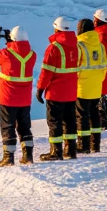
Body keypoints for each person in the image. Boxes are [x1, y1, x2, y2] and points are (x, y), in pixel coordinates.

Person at [0, 25, 35, 166]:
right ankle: (28, 156)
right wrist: (10, 42)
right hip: (24, 99)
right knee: (25, 127)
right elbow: (19, 52)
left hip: (8, 98)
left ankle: (8, 157)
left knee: (7, 127)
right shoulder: (32, 55)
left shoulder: (6, 54)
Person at [36, 17, 80, 161]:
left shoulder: (54, 47)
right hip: (71, 92)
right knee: (70, 121)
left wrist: (40, 89)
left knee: (54, 122)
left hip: (55, 93)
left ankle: (56, 152)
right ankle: (71, 150)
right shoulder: (76, 46)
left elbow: (46, 72)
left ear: (56, 28)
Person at [75, 18, 107, 153]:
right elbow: (104, 66)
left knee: (82, 116)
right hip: (96, 86)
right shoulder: (100, 46)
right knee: (94, 114)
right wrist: (99, 80)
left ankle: (83, 145)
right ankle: (96, 144)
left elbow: (75, 67)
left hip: (82, 87)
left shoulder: (79, 45)